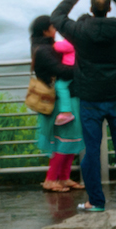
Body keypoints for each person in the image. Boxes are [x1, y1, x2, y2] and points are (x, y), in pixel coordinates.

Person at [54, 0, 116, 213]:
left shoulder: (80, 31)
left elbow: (57, 18)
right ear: (109, 9)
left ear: (91, 10)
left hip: (91, 98)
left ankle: (96, 201)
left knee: (91, 150)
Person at [31, 15, 84, 194]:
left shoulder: (44, 46)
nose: (56, 30)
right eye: (53, 27)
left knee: (69, 140)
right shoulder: (45, 49)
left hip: (65, 98)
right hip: (61, 102)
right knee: (65, 140)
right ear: (46, 30)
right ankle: (51, 179)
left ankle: (64, 177)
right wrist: (83, 68)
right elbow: (60, 70)